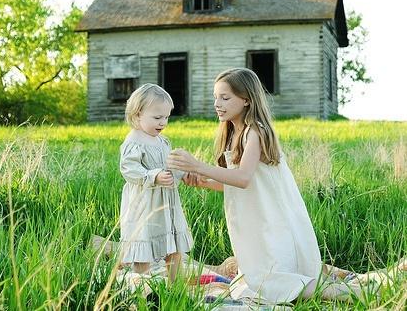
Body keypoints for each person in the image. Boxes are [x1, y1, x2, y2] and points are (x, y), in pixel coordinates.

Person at [167, 68, 363, 303]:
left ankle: (349, 294)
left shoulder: (255, 132)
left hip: (269, 221)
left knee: (269, 282)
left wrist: (198, 165)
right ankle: (335, 290)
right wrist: (206, 182)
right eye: (215, 97)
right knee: (255, 281)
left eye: (225, 97)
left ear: (247, 99)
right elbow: (240, 185)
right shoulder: (233, 133)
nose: (217, 103)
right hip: (252, 223)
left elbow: (243, 178)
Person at [119, 83, 193, 283]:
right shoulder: (134, 141)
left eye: (167, 117)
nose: (163, 122)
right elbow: (129, 169)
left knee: (174, 244)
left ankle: (175, 285)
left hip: (166, 203)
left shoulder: (162, 141)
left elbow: (167, 165)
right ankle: (141, 286)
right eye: (157, 117)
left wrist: (181, 173)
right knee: (142, 245)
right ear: (138, 114)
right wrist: (154, 176)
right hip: (145, 204)